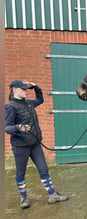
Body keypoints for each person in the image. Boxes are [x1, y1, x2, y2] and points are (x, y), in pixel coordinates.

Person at [5, 80, 69, 208]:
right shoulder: (10, 107)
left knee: (43, 168)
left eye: (26, 89)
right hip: (20, 146)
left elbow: (40, 99)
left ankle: (52, 194)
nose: (26, 91)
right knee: (20, 172)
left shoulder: (28, 103)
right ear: (15, 89)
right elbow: (7, 127)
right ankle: (23, 198)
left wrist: (36, 87)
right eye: (23, 89)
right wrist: (18, 127)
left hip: (34, 144)